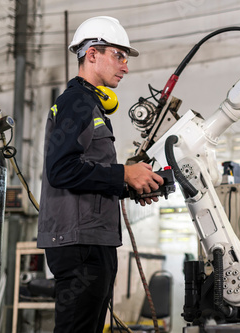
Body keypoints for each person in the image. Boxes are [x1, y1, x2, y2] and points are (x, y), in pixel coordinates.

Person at [37, 16, 163, 333]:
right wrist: (123, 174)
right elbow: (61, 169)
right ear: (92, 54)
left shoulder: (91, 106)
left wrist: (130, 185)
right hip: (80, 244)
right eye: (118, 55)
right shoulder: (76, 103)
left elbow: (87, 171)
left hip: (92, 240)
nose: (125, 66)